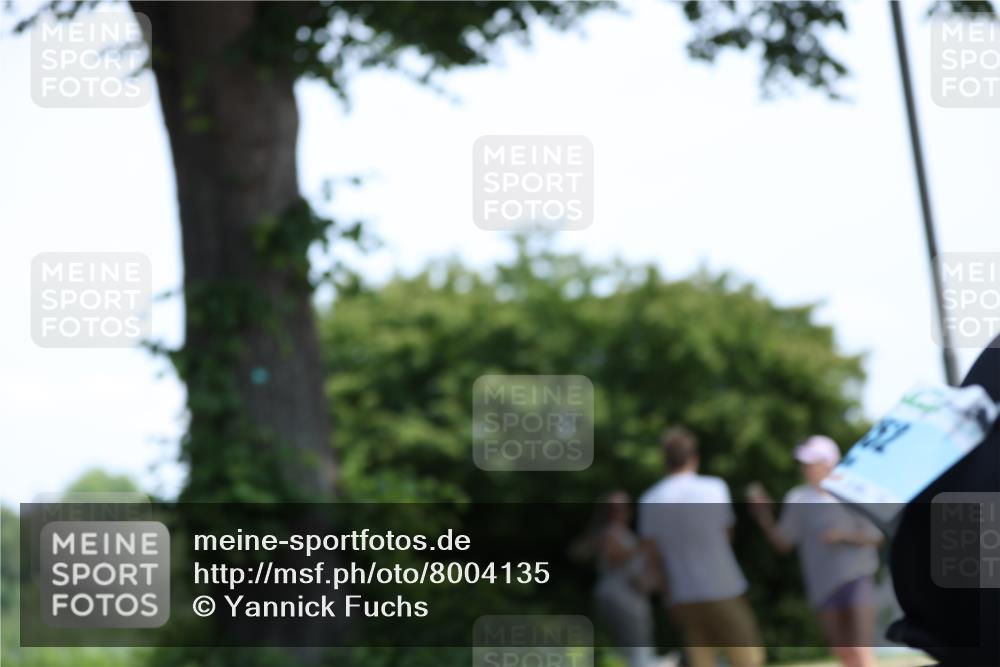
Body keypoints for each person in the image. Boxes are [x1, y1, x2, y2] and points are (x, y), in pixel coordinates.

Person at [747, 435, 883, 667]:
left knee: (860, 651)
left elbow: (876, 538)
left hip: (856, 577)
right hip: (822, 586)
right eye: (805, 463)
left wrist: (844, 536)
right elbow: (783, 543)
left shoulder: (852, 492)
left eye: (812, 462)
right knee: (844, 654)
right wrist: (764, 515)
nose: (806, 468)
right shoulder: (798, 498)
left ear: (830, 463)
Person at [638, 426, 764, 667]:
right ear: (694, 457)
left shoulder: (649, 500)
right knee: (747, 659)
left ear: (664, 460)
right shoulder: (714, 487)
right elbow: (727, 535)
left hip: (682, 593)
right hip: (723, 587)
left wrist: (668, 597)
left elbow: (652, 557)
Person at [571, 490, 663, 667]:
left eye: (622, 507)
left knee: (631, 651)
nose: (618, 511)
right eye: (613, 507)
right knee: (637, 652)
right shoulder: (611, 532)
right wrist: (642, 546)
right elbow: (614, 558)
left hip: (629, 598)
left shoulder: (621, 533)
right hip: (621, 599)